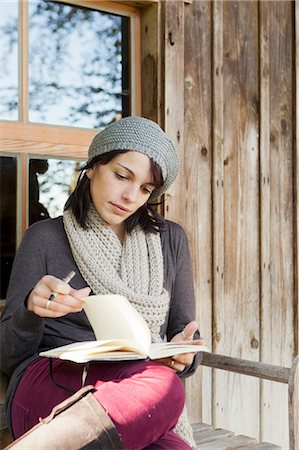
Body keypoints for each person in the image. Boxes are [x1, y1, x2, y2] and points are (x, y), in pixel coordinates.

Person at [0, 116, 204, 450]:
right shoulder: (45, 238)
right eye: (122, 176)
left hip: (131, 386)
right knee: (164, 389)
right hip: (48, 380)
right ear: (93, 166)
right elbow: (7, 355)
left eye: (144, 189)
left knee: (166, 399)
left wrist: (184, 354)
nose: (130, 196)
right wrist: (30, 311)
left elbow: (184, 336)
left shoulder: (171, 240)